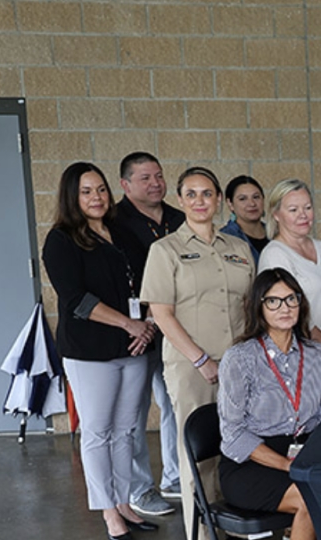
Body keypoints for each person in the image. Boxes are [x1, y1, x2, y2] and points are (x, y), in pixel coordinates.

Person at [217, 269, 321, 540]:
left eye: (291, 299)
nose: (284, 307)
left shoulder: (317, 354)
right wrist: (288, 466)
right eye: (273, 300)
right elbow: (233, 434)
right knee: (312, 499)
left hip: (302, 453)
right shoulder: (241, 358)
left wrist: (315, 459)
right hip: (251, 464)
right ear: (259, 306)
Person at [42, 162, 159, 540]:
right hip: (90, 350)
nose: (97, 198)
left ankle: (125, 502)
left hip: (133, 345)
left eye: (102, 190)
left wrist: (147, 326)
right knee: (98, 431)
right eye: (87, 192)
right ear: (72, 198)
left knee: (127, 430)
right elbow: (76, 299)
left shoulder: (121, 232)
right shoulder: (61, 240)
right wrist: (129, 325)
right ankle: (108, 510)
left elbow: (144, 284)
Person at [142, 166, 255, 540]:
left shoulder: (239, 249)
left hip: (240, 364)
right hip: (194, 366)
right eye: (191, 194)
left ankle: (238, 522)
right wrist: (200, 359)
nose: (200, 201)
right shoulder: (165, 250)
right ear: (179, 200)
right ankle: (203, 537)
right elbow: (161, 313)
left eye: (207, 193)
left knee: (241, 445)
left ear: (219, 199)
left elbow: (251, 306)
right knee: (199, 450)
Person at [114, 151, 183, 519]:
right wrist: (141, 322)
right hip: (138, 330)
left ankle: (174, 477)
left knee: (175, 405)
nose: (155, 183)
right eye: (145, 178)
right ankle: (140, 489)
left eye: (158, 175)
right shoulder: (114, 222)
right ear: (125, 185)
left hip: (176, 327)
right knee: (135, 414)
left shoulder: (178, 218)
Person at [257, 179, 321, 408]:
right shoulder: (274, 255)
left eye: (307, 207)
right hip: (300, 360)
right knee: (303, 431)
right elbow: (287, 313)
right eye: (293, 209)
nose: (303, 215)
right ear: (277, 214)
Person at [219, 175, 269, 263]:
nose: (252, 203)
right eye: (242, 199)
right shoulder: (224, 238)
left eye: (256, 197)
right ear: (230, 204)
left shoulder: (276, 233)